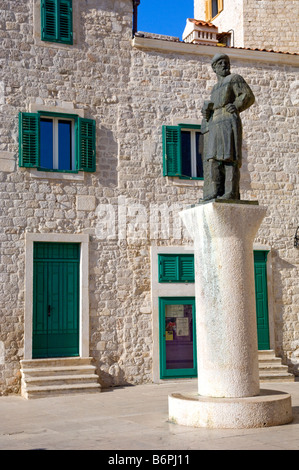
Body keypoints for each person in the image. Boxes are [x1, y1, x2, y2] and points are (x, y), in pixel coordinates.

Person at [201, 53, 255, 201]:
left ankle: (230, 192)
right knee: (213, 159)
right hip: (215, 122)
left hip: (228, 120)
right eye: (220, 63)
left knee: (229, 157)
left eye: (226, 62)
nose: (224, 65)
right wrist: (207, 112)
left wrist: (236, 105)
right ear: (214, 68)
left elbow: (248, 96)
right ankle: (216, 190)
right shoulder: (215, 88)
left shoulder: (234, 79)